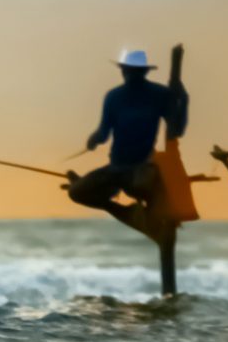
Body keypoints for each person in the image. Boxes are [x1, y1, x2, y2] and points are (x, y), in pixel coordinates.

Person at [67, 47, 187, 233]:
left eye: (132, 71)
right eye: (128, 71)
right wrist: (93, 140)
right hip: (116, 168)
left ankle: (141, 213)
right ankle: (124, 211)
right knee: (76, 192)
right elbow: (103, 133)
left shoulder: (160, 94)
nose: (129, 74)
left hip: (143, 168)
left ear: (143, 72)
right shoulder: (114, 96)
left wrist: (183, 101)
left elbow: (175, 130)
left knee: (144, 188)